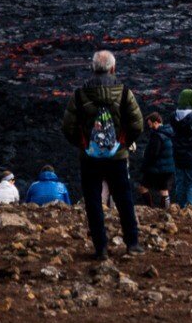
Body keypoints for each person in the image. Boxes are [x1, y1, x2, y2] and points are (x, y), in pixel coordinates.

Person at [58, 50, 144, 260]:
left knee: (93, 202)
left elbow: (68, 127)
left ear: (93, 69)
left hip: (90, 159)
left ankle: (101, 248)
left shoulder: (79, 95)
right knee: (124, 199)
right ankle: (132, 243)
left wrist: (83, 145)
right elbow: (137, 124)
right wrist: (122, 143)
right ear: (113, 68)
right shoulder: (124, 93)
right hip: (117, 158)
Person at [139, 113, 174, 208]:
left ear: (156, 122)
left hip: (157, 168)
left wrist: (144, 166)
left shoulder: (157, 136)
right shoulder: (169, 132)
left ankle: (149, 208)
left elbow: (153, 154)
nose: (149, 127)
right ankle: (165, 214)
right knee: (164, 191)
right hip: (169, 167)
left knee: (143, 187)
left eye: (150, 124)